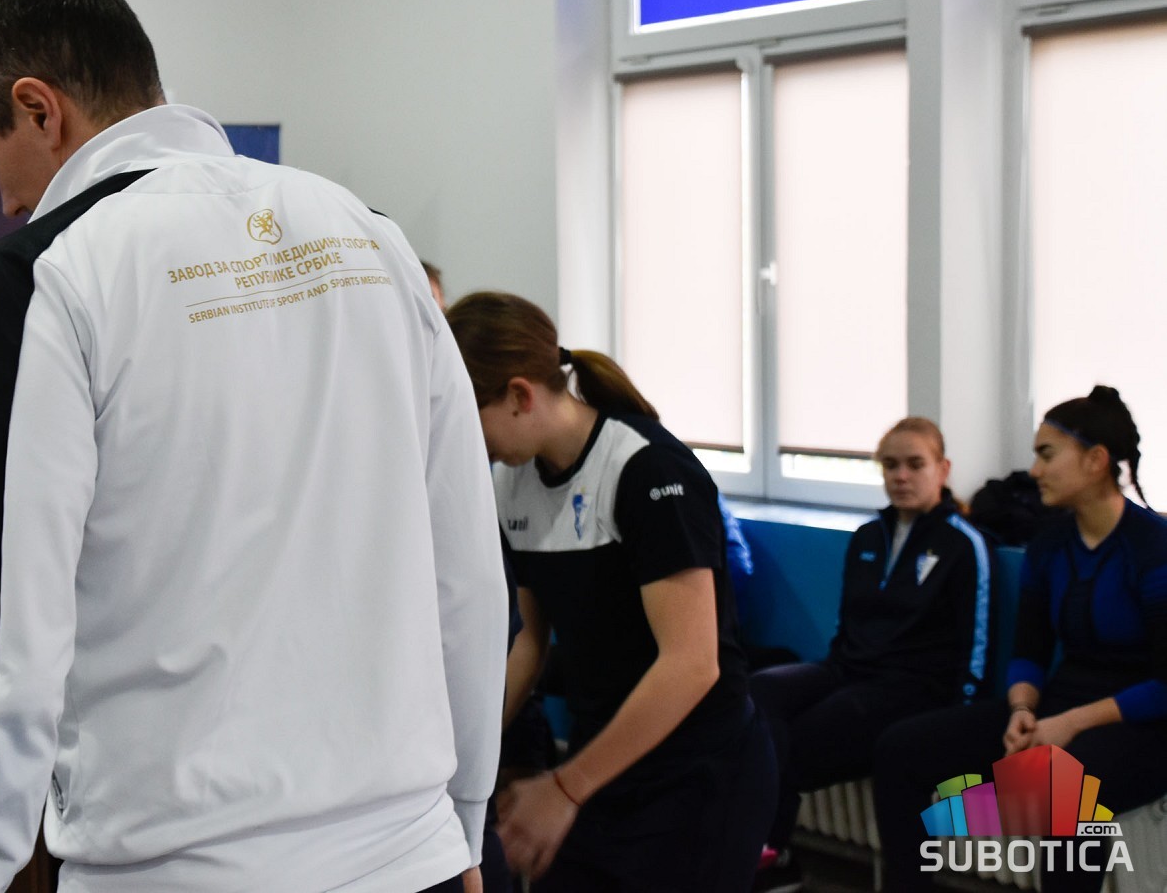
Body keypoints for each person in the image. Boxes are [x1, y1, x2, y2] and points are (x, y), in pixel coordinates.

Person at [0, 0, 506, 893]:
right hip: (412, 856)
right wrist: (465, 828)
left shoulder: (44, 274)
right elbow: (464, 573)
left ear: (39, 109)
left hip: (178, 868)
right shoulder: (370, 233)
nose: (7, 199)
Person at [445, 290, 775, 893]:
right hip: (604, 762)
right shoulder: (509, 481)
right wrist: (462, 760)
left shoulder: (648, 469)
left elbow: (692, 664)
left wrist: (565, 788)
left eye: (469, 417)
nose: (465, 441)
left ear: (519, 395)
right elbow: (527, 645)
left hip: (699, 772)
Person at [873, 386, 1167, 893]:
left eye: (1047, 455)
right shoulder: (1048, 544)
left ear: (1095, 460)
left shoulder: (1153, 545)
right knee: (900, 749)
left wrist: (1067, 725)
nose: (1034, 471)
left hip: (1143, 725)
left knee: (1065, 785)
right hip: (1056, 708)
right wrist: (1021, 711)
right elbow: (1029, 651)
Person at [749, 418, 992, 892]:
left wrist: (957, 718)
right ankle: (768, 849)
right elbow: (848, 627)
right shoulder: (866, 537)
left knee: (799, 740)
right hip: (846, 669)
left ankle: (773, 856)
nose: (901, 476)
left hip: (910, 688)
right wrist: (827, 674)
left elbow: (976, 648)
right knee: (758, 689)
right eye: (890, 465)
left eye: (915, 465)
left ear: (942, 470)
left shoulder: (963, 545)